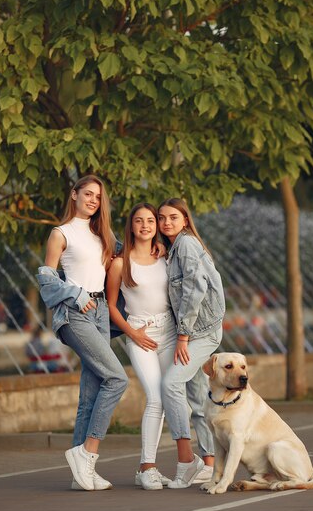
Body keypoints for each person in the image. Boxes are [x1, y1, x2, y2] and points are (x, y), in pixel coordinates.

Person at [37, 175, 129, 492]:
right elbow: (46, 279)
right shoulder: (60, 233)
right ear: (74, 194)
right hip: (76, 312)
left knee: (89, 396)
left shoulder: (102, 234)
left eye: (98, 197)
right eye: (87, 194)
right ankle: (87, 454)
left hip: (102, 312)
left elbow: (128, 256)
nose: (93, 200)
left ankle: (81, 475)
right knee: (118, 378)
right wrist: (76, 295)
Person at [157, 197, 225, 488]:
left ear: (185, 219)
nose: (166, 222)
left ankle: (188, 461)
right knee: (198, 401)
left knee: (171, 384)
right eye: (162, 218)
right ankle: (210, 465)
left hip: (202, 332)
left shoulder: (186, 244)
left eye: (173, 217)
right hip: (197, 331)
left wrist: (183, 336)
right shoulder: (174, 249)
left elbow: (195, 289)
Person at [107, 203, 175, 490]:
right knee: (156, 398)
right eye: (139, 221)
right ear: (131, 226)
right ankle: (147, 467)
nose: (145, 225)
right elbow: (110, 305)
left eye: (150, 220)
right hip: (140, 335)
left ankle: (194, 461)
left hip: (170, 333)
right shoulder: (120, 262)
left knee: (173, 397)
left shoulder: (166, 257)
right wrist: (132, 333)